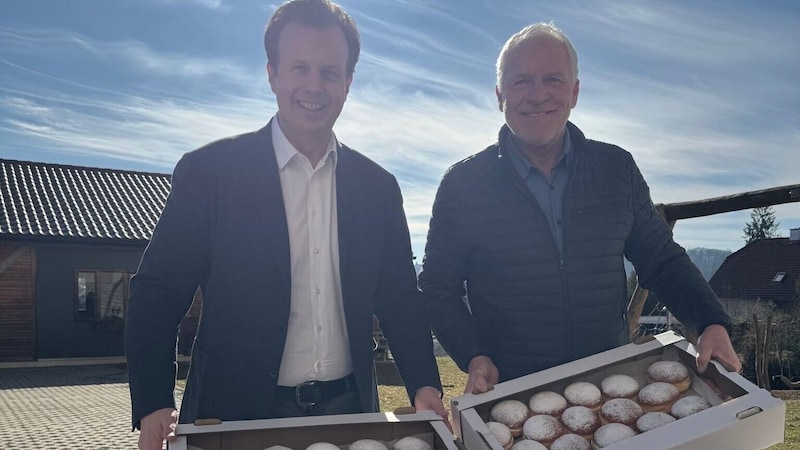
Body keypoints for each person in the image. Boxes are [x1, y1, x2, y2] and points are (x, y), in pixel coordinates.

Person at [125, 1, 446, 448]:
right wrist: (153, 400)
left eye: (329, 71)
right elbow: (157, 291)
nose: (314, 85)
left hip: (349, 414)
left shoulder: (378, 187)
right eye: (300, 68)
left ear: (348, 83)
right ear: (272, 73)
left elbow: (399, 297)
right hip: (233, 417)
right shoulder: (210, 173)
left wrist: (424, 383)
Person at [418, 22, 742, 396]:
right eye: (521, 81)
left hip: (611, 386)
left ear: (574, 92)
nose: (538, 95)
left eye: (553, 80)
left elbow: (661, 259)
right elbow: (437, 288)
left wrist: (710, 321)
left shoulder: (616, 170)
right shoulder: (463, 185)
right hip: (510, 393)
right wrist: (474, 356)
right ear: (499, 95)